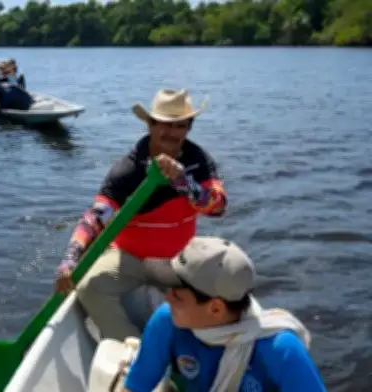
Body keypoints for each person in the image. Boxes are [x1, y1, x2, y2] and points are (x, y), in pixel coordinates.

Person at [53, 88, 228, 341]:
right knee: (90, 287)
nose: (172, 133)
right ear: (149, 125)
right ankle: (131, 348)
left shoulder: (198, 161)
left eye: (181, 126)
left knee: (216, 304)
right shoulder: (128, 170)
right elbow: (94, 218)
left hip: (178, 261)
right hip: (129, 258)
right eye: (165, 125)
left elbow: (219, 207)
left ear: (189, 128)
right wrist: (70, 259)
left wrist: (183, 181)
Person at [122, 236, 327, 392]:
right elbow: (134, 388)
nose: (167, 299)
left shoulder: (281, 350)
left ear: (216, 309)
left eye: (177, 295)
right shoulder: (166, 321)